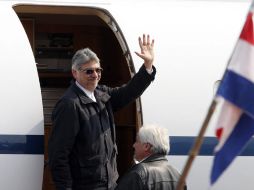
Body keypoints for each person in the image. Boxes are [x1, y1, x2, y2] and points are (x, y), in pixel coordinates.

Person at [48, 34, 156, 190]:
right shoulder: (69, 105)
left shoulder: (103, 95)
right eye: (89, 71)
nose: (95, 75)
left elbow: (129, 92)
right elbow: (58, 156)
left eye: (98, 70)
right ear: (75, 73)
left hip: (109, 185)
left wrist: (148, 66)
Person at [115, 124, 187, 190]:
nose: (134, 145)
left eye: (137, 141)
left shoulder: (138, 174)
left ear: (146, 146)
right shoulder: (177, 174)